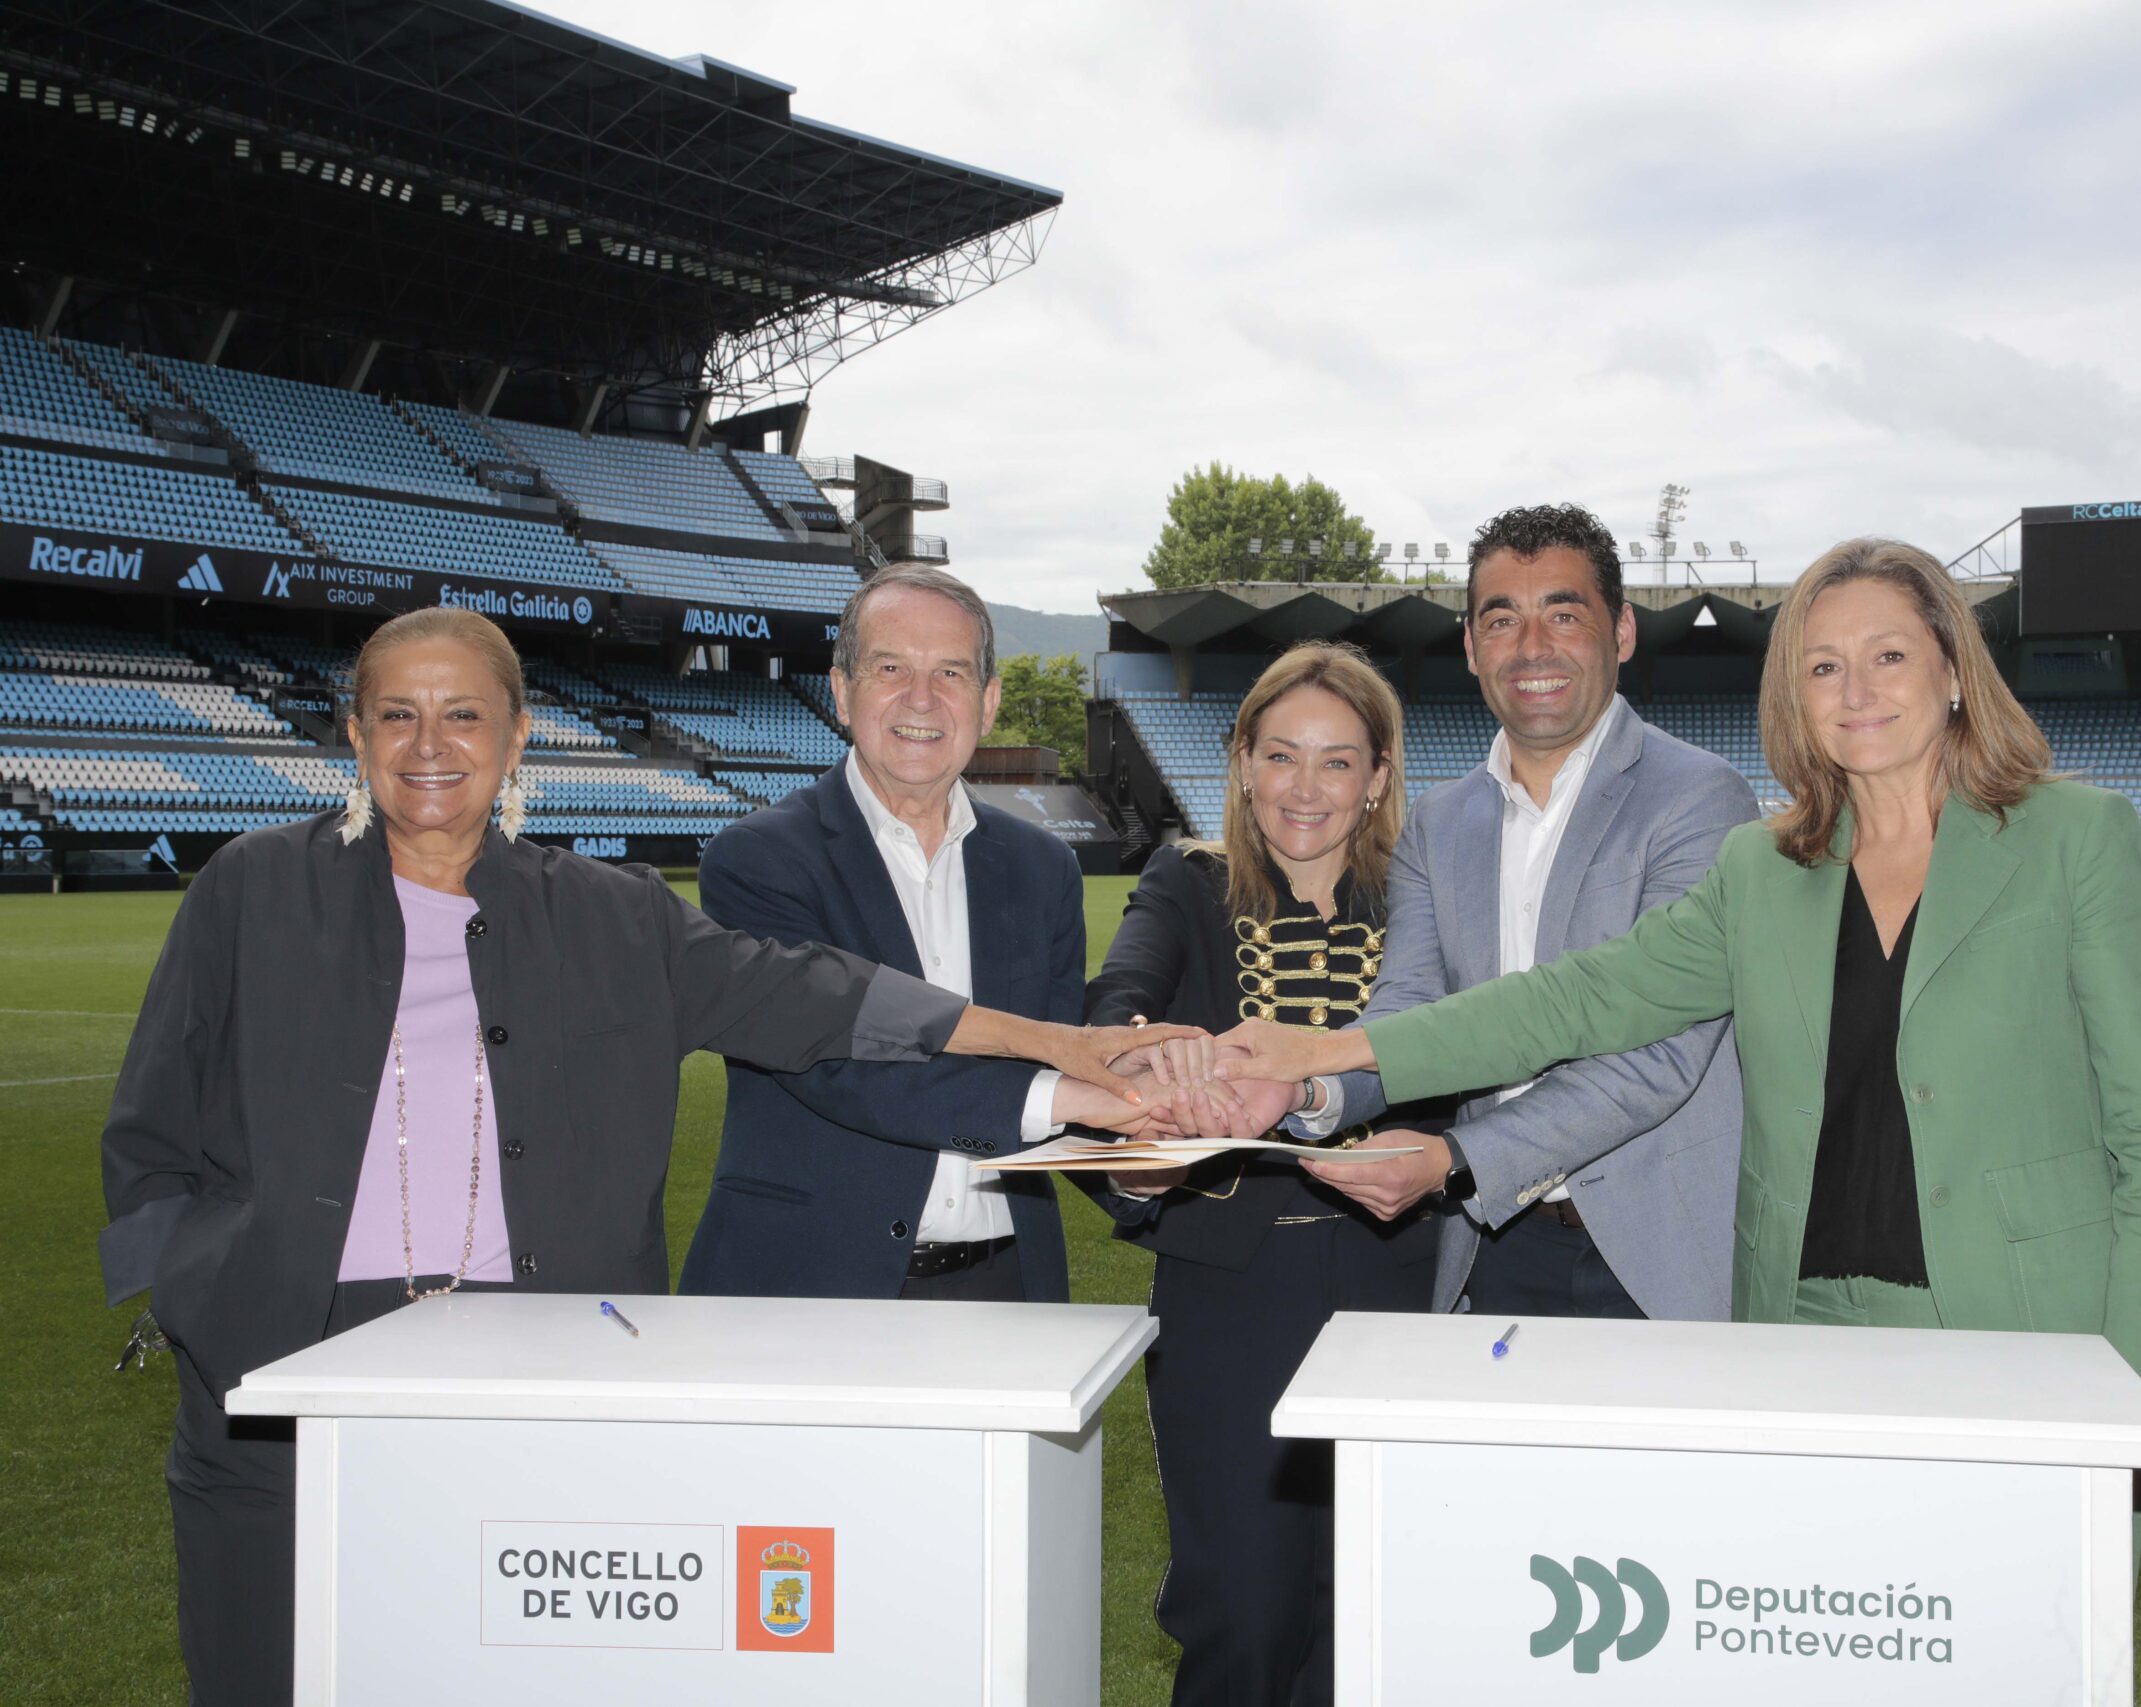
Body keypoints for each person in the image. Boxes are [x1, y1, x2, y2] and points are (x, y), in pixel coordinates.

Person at [97, 607, 1190, 1706]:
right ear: (354, 733)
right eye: (397, 715)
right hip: (283, 1366)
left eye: (464, 715)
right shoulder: (250, 889)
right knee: (268, 1669)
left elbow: (820, 996)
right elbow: (151, 1122)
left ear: (517, 736)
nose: (430, 745)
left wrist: (1051, 1042)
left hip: (536, 1370)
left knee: (502, 1675)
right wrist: (200, 1295)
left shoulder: (611, 914)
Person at [1218, 537, 2141, 1533]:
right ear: (1794, 697)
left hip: (2026, 1327)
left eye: (1889, 656)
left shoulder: (2075, 839)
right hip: (1798, 1328)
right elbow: (1577, 1000)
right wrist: (1327, 1052)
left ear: (1952, 668)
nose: (1856, 691)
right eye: (1823, 666)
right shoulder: (1761, 869)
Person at [1281, 503, 1762, 1325]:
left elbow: (1658, 1057)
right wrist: (1305, 1086)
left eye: (1563, 615)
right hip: (1495, 1245)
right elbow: (1409, 1009)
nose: (1532, 647)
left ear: (1622, 632)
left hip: (1658, 1255)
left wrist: (1456, 1157)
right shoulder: (1437, 822)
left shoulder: (1701, 798)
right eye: (1502, 619)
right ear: (1472, 646)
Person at [1084, 642, 1446, 1707]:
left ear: (1378, 777)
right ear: (1242, 761)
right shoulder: (1186, 881)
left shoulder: (1425, 893)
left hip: (1402, 1285)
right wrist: (1149, 1058)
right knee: (1240, 1611)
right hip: (1230, 1296)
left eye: (1337, 761)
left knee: (1376, 1612)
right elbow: (1117, 1004)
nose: (1304, 787)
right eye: (1281, 754)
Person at [681, 567, 1152, 1304]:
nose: (922, 698)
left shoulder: (1042, 869)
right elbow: (839, 1063)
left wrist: (1137, 1149)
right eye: (891, 668)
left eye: (951, 673)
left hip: (1007, 1288)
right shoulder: (759, 860)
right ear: (842, 691)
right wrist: (1081, 1096)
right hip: (809, 1290)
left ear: (988, 703)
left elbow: (1053, 1059)